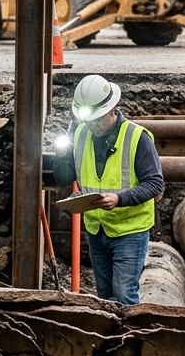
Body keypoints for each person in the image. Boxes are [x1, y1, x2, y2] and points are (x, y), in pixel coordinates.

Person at [53, 74, 164, 305]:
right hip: (96, 229)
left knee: (124, 295)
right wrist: (61, 156)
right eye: (89, 119)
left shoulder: (137, 137)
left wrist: (119, 199)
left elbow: (155, 184)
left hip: (130, 230)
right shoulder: (81, 133)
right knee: (104, 297)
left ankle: (129, 340)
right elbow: (64, 177)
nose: (92, 124)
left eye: (97, 119)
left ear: (112, 109)